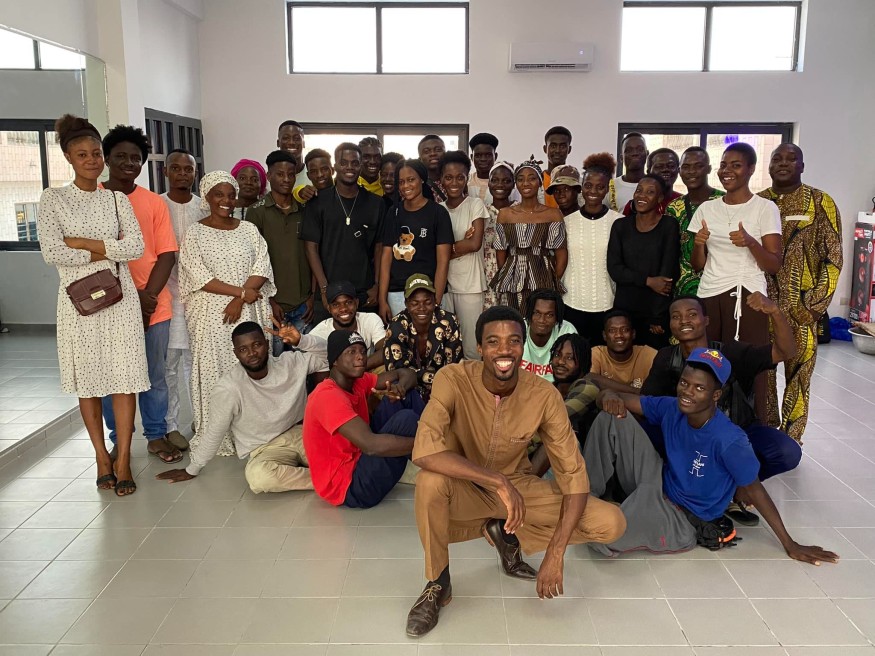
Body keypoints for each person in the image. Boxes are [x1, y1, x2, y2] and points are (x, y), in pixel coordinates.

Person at [405, 306, 626, 637]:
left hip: (519, 490)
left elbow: (574, 476)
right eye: (493, 341)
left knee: (611, 522)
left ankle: (505, 532)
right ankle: (438, 582)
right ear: (480, 348)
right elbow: (425, 450)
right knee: (430, 482)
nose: (504, 350)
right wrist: (496, 480)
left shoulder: (544, 395)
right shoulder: (453, 378)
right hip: (465, 487)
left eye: (513, 341)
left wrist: (555, 552)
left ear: (523, 346)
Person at [591, 348, 838, 566]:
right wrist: (608, 396)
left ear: (715, 395)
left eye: (699, 388)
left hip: (680, 518)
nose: (687, 392)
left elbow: (755, 491)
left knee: (601, 535)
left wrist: (790, 543)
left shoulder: (729, 439)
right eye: (685, 383)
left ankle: (619, 513)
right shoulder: (672, 407)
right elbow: (619, 400)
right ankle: (586, 495)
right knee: (611, 416)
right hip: (657, 484)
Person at [37, 114, 148, 497]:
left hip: (119, 300)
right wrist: (106, 251)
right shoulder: (52, 199)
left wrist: (83, 243)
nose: (91, 160)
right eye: (82, 154)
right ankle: (102, 457)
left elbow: (135, 247)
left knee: (125, 379)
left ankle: (124, 459)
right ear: (69, 157)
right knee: (89, 382)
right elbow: (53, 252)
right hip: (77, 304)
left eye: (96, 153)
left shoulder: (116, 199)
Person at [641, 294, 803, 524]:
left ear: (706, 320)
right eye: (676, 316)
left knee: (787, 451)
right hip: (691, 437)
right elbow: (648, 401)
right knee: (643, 429)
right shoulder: (667, 357)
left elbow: (785, 352)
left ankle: (737, 487)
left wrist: (775, 312)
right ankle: (678, 489)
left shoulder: (731, 353)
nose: (684, 320)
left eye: (692, 314)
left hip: (738, 431)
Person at [155, 321, 326, 492]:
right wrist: (192, 469)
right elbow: (215, 431)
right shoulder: (229, 388)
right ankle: (327, 478)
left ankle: (329, 473)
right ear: (235, 353)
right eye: (243, 349)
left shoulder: (291, 363)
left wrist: (301, 340)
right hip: (265, 449)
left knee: (341, 450)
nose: (252, 353)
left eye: (257, 345)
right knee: (259, 477)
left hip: (302, 434)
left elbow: (328, 356)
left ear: (267, 344)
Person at [179, 171, 275, 457]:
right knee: (216, 370)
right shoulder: (195, 233)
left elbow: (262, 266)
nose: (226, 200)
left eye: (231, 195)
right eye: (218, 194)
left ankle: (255, 430)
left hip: (247, 311)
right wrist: (241, 293)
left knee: (252, 366)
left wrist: (241, 298)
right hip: (212, 316)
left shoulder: (249, 229)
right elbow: (198, 275)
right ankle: (218, 433)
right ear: (206, 197)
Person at [100, 124, 180, 464]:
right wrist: (131, 297)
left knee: (154, 375)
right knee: (111, 377)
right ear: (107, 159)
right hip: (106, 306)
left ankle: (156, 435)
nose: (129, 163)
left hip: (154, 305)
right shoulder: (93, 200)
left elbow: (167, 254)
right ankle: (118, 440)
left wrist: (147, 297)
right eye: (121, 156)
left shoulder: (153, 203)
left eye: (135, 158)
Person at [688, 143, 782, 420]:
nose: (727, 171)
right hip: (709, 293)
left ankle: (750, 428)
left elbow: (774, 264)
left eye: (736, 165)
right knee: (708, 366)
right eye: (723, 165)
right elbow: (697, 265)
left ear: (751, 169)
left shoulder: (764, 208)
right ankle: (707, 424)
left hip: (747, 297)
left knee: (749, 369)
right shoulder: (707, 208)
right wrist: (699, 244)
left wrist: (751, 242)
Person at [758, 144, 843, 441]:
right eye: (777, 159)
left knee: (799, 376)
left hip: (801, 309)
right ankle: (766, 435)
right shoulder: (758, 202)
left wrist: (812, 306)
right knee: (762, 375)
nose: (783, 163)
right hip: (761, 307)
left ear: (802, 166)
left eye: (791, 159)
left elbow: (833, 259)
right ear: (769, 166)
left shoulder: (820, 202)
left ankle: (792, 440)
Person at [304, 330, 421, 508]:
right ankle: (441, 451)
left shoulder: (357, 380)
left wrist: (401, 389)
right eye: (351, 352)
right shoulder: (327, 396)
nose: (360, 357)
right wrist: (425, 442)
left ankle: (438, 447)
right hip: (350, 486)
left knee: (404, 396)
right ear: (335, 360)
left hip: (360, 456)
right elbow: (371, 446)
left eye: (362, 351)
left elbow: (405, 373)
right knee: (406, 420)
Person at [303, 142, 385, 325]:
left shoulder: (376, 203)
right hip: (329, 294)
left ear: (360, 166)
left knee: (365, 342)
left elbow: (380, 248)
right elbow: (310, 249)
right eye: (344, 163)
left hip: (364, 293)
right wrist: (324, 289)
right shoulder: (317, 202)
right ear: (335, 167)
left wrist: (377, 285)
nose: (349, 167)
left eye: (354, 163)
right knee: (326, 343)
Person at [161, 148, 206, 452]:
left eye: (188, 169)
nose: (182, 174)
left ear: (195, 173)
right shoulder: (157, 205)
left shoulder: (203, 207)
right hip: (164, 295)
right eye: (175, 168)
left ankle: (201, 421)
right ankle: (170, 425)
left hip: (198, 297)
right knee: (168, 366)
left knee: (195, 364)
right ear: (166, 171)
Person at [607, 174, 680, 348]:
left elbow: (667, 275)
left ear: (660, 198)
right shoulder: (620, 226)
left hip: (654, 313)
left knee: (652, 358)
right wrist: (648, 281)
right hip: (624, 309)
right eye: (639, 190)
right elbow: (615, 269)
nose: (642, 195)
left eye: (650, 192)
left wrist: (658, 316)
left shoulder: (669, 225)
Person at [247, 150, 314, 340]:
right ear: (269, 176)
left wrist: (312, 297)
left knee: (305, 355)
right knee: (274, 356)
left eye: (291, 174)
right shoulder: (256, 212)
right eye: (280, 174)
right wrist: (270, 301)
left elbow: (313, 254)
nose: (286, 179)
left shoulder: (305, 209)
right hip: (272, 305)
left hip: (303, 304)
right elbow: (253, 262)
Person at [378, 159, 454, 320]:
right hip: (397, 293)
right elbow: (386, 257)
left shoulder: (438, 213)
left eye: (411, 180)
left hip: (429, 293)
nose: (406, 186)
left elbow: (443, 261)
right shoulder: (393, 212)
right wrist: (382, 299)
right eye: (401, 182)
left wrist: (436, 301)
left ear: (422, 179)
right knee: (401, 336)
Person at [490, 156, 567, 313]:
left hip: (543, 278)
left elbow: (561, 254)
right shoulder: (505, 214)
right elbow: (501, 252)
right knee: (514, 320)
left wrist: (552, 281)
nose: (526, 183)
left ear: (540, 182)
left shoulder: (553, 214)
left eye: (532, 178)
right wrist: (509, 274)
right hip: (513, 280)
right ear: (516, 184)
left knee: (540, 320)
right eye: (520, 179)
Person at [562, 153, 624, 345]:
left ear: (607, 189)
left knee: (600, 356)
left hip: (607, 303)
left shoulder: (619, 222)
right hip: (571, 301)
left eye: (600, 187)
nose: (593, 191)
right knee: (574, 353)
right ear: (581, 187)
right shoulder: (567, 222)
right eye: (588, 185)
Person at [439, 150, 488, 359]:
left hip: (470, 287)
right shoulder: (438, 210)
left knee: (471, 348)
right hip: (443, 286)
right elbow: (431, 250)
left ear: (467, 178)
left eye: (460, 177)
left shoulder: (475, 204)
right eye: (448, 177)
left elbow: (475, 244)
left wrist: (444, 250)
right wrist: (461, 244)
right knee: (445, 345)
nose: (454, 182)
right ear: (441, 179)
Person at [383, 274, 463, 402]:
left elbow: (454, 367)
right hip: (408, 391)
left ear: (435, 301)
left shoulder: (448, 322)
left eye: (427, 302)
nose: (422, 308)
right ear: (406, 304)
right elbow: (397, 371)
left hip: (444, 389)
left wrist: (420, 376)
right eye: (415, 303)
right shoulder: (396, 326)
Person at [529, 333, 599, 477]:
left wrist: (520, 445)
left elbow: (555, 420)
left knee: (557, 435)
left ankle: (525, 484)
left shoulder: (587, 388)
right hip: (539, 462)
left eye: (569, 358)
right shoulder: (546, 390)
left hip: (580, 472)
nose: (560, 362)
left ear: (583, 362)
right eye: (557, 355)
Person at [666, 147, 724, 297]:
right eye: (686, 167)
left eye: (698, 166)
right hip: (682, 288)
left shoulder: (724, 201)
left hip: (718, 285)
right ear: (679, 171)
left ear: (709, 169)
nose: (691, 171)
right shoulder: (674, 207)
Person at [310, 280, 387, 373]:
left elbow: (387, 349)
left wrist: (357, 368)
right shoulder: (318, 334)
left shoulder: (370, 319)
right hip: (337, 380)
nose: (343, 309)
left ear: (356, 303)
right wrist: (352, 371)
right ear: (329, 309)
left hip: (366, 373)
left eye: (348, 302)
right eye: (336, 305)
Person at [589, 310, 656, 392]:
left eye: (625, 330)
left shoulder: (648, 354)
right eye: (612, 330)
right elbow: (590, 378)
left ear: (633, 334)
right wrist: (637, 392)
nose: (619, 335)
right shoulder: (597, 353)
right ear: (604, 335)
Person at [520, 288, 578, 381]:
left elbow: (574, 372)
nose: (542, 320)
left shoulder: (567, 331)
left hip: (556, 387)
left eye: (549, 315)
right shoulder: (518, 329)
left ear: (557, 318)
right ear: (529, 315)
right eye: (537, 313)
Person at [483, 161, 515, 309]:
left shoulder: (519, 211)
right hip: (487, 279)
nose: (500, 185)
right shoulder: (482, 212)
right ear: (489, 183)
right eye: (495, 180)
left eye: (506, 181)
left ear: (514, 184)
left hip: (515, 279)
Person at [620, 148, 682, 215]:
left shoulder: (684, 203)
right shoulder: (634, 206)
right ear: (649, 172)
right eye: (659, 166)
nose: (665, 169)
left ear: (678, 170)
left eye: (671, 166)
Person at [609, 132, 647, 212]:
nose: (635, 153)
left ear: (647, 154)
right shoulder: (610, 187)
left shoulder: (656, 186)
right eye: (629, 150)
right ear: (621, 158)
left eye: (640, 149)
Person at [540, 126, 572, 208]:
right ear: (545, 149)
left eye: (562, 146)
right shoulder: (537, 181)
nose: (557, 150)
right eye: (553, 146)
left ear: (569, 149)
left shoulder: (578, 182)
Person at [276, 119, 309, 189]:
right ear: (278, 143)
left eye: (297, 138)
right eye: (286, 138)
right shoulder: (269, 179)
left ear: (303, 143)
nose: (291, 142)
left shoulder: (314, 178)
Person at [467, 132, 498, 204]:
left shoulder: (503, 185)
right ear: (472, 157)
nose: (483, 159)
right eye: (478, 155)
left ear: (495, 156)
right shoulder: (466, 182)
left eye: (488, 155)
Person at [418, 134, 447, 202]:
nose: (433, 154)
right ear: (420, 158)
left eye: (438, 150)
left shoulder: (455, 181)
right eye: (426, 151)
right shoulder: (417, 185)